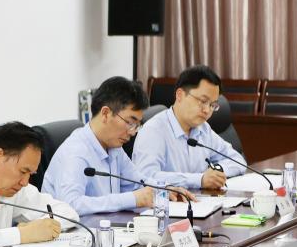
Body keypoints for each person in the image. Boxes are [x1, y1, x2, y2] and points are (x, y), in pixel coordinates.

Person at [43, 76, 194, 215]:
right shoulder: (75, 151)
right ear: (105, 113)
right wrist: (132, 199)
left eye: (137, 125)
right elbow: (71, 205)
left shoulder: (114, 147)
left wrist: (164, 189)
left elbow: (137, 182)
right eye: (130, 122)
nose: (133, 132)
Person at [132, 65, 247, 190]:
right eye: (203, 101)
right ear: (180, 95)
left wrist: (216, 172)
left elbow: (238, 160)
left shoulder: (203, 129)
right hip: (166, 201)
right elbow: (146, 177)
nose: (207, 110)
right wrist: (199, 180)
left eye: (212, 105)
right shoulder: (153, 131)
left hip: (200, 199)